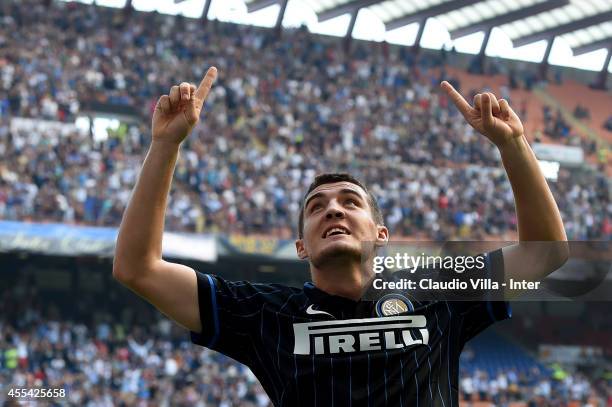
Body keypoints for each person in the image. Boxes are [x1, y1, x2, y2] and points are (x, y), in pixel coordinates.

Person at [113, 67, 568, 406]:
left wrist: (513, 145)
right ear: (301, 246)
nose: (333, 207)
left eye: (351, 202)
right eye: (317, 207)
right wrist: (165, 146)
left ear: (381, 235)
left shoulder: (440, 293)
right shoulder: (262, 314)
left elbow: (545, 254)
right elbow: (138, 268)